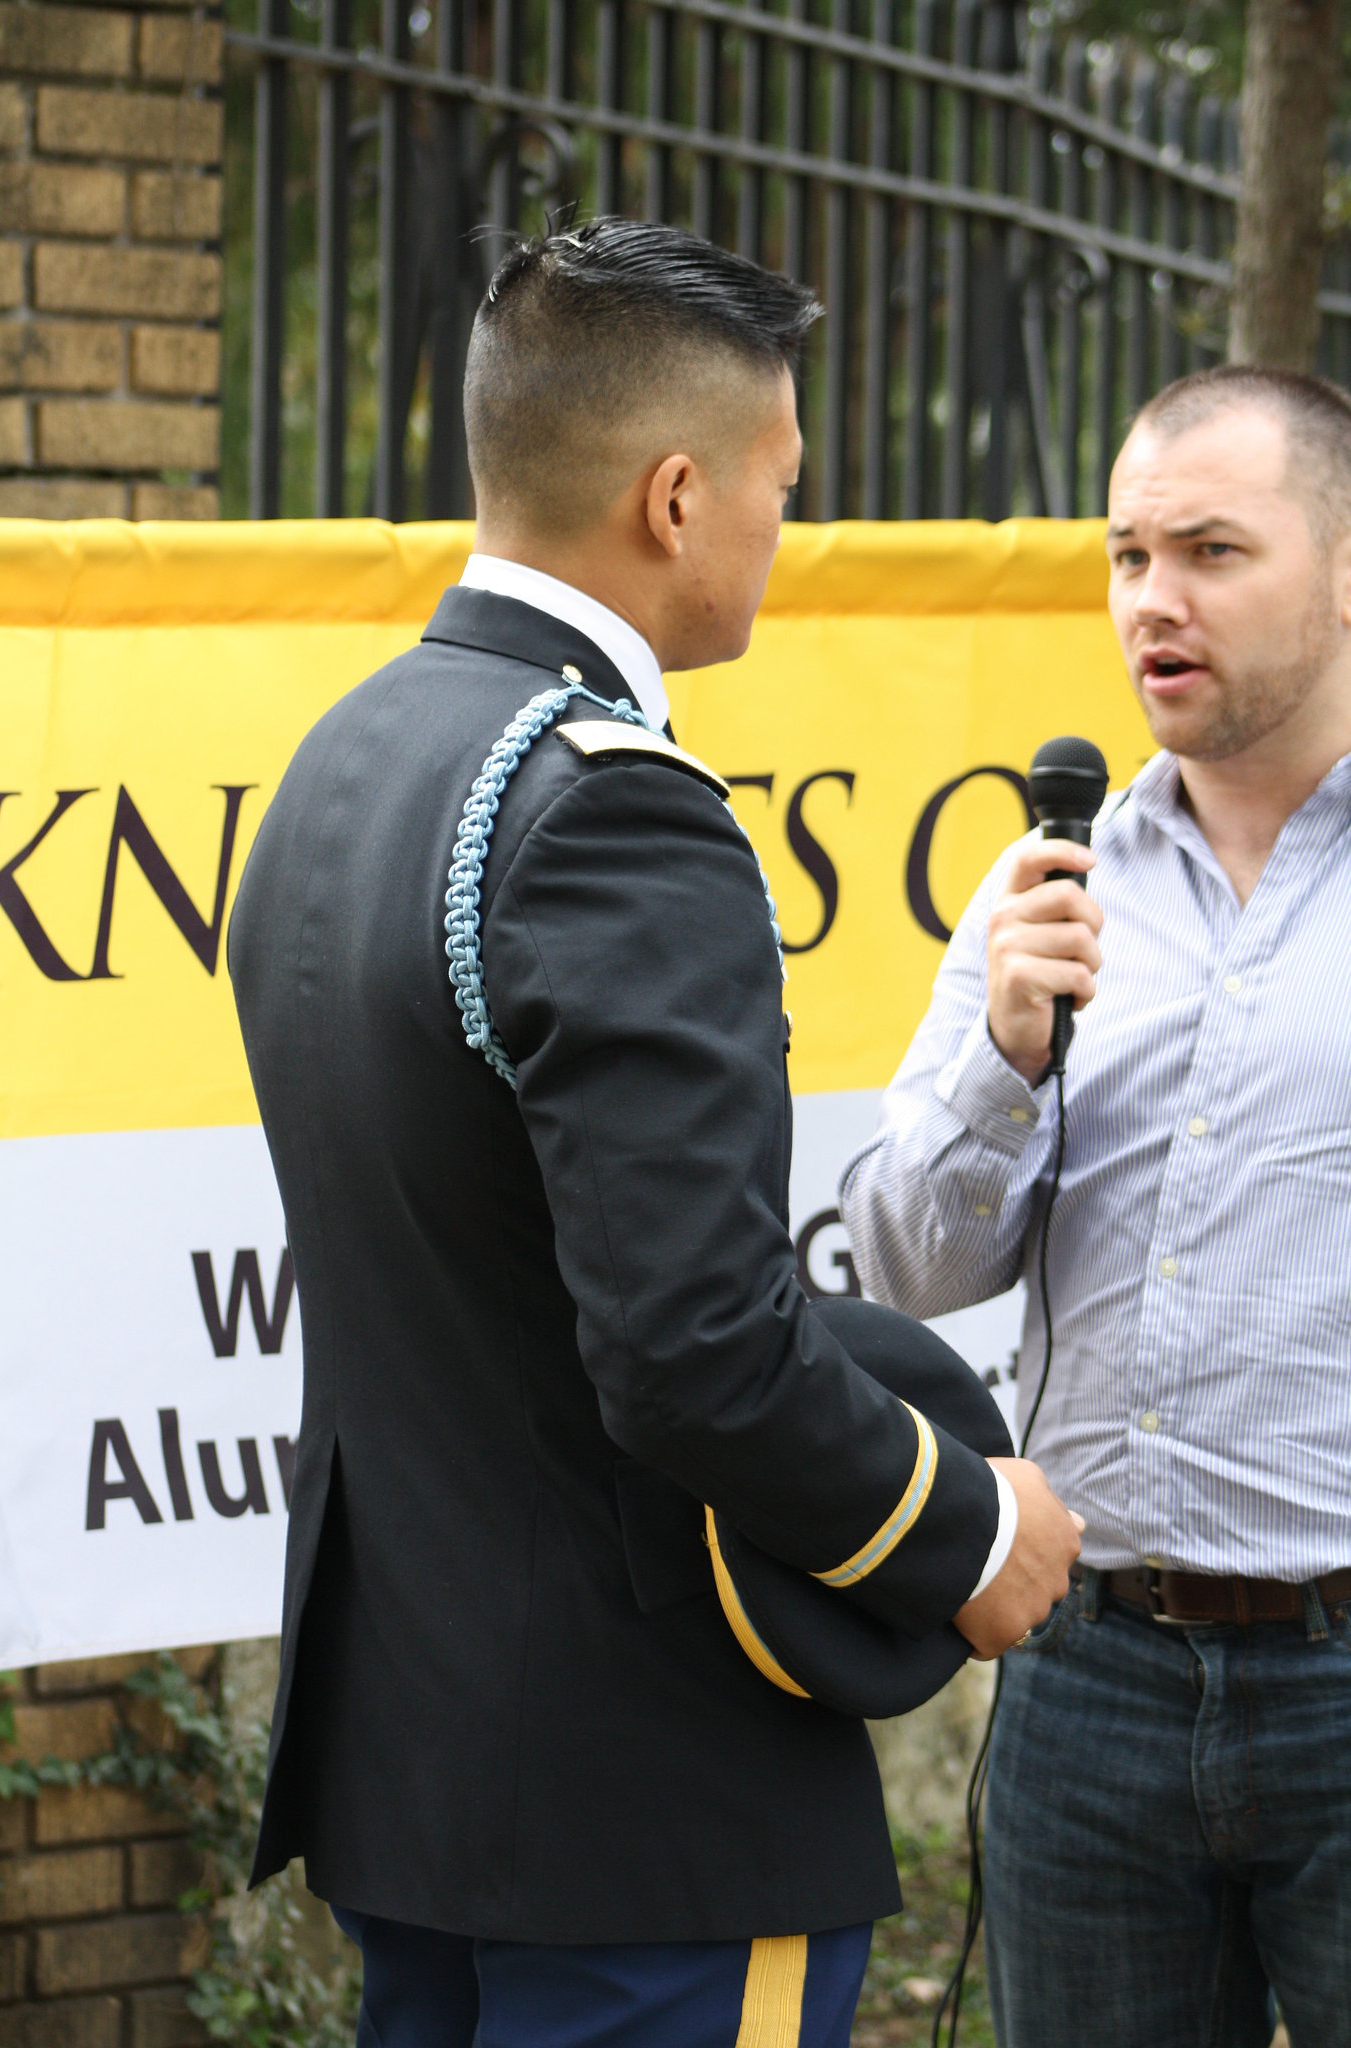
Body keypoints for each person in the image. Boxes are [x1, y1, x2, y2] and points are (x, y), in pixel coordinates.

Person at [227, 219, 1081, 2048]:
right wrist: (960, 1526)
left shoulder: (340, 763)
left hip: (420, 1770)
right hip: (638, 1801)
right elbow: (692, 1352)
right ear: (676, 496)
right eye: (782, 481)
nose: (795, 516)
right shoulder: (614, 810)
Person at [840, 364, 1351, 2048]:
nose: (1153, 601)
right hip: (1089, 1682)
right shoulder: (1044, 887)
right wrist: (1002, 1052)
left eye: (1212, 550)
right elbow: (907, 1265)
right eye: (1129, 555)